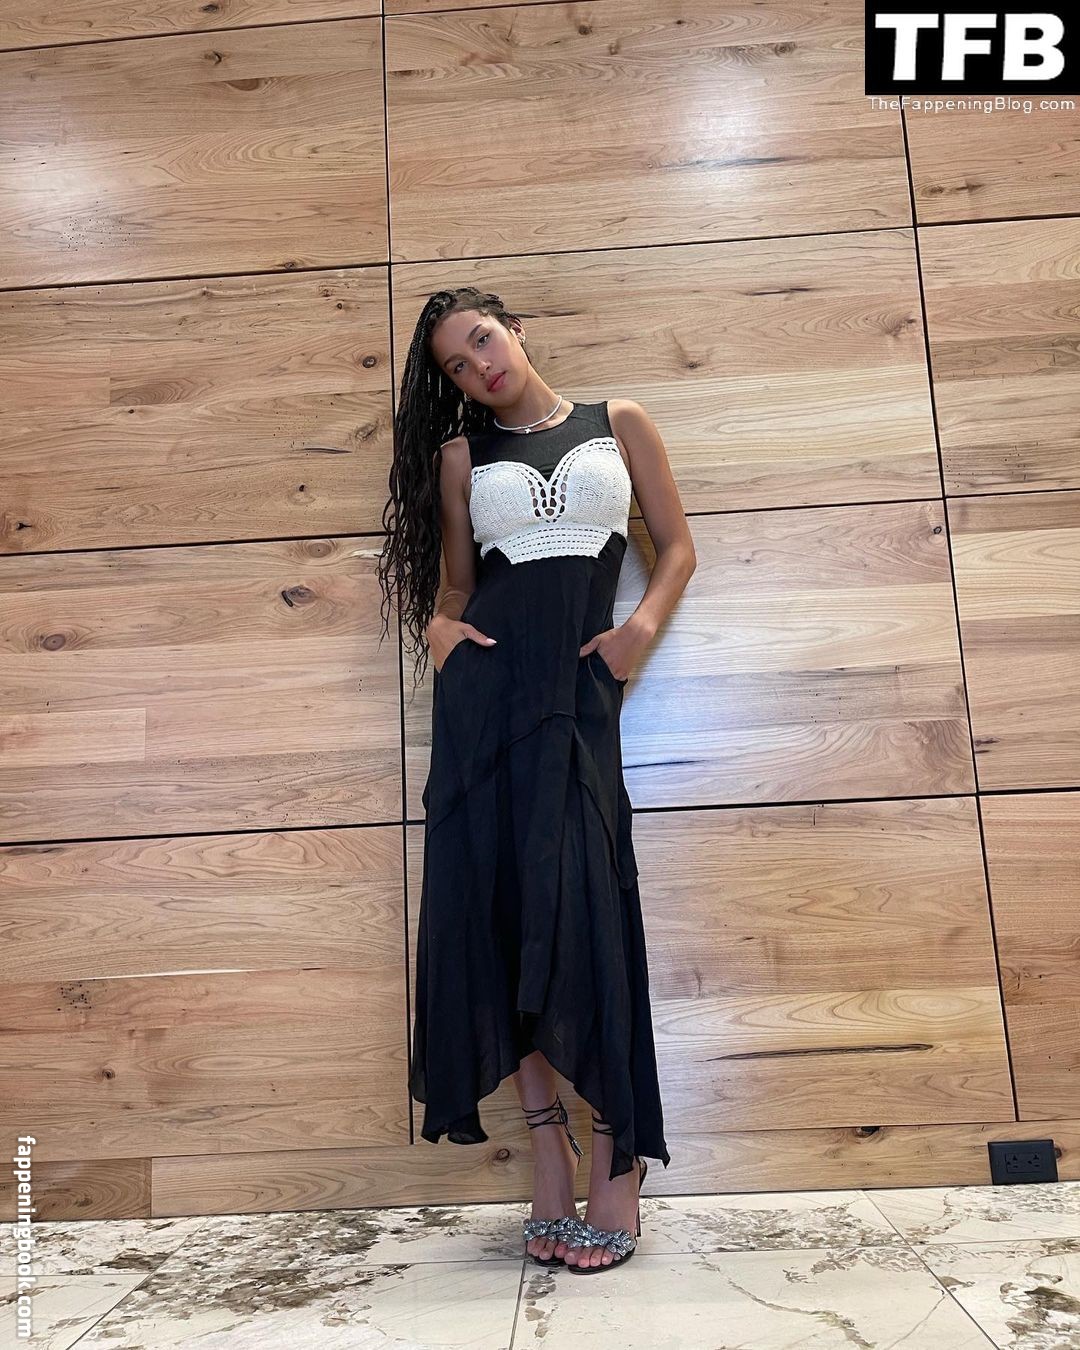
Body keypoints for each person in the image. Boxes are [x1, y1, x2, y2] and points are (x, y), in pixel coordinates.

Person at [377, 285, 696, 1272]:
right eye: (457, 365)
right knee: (497, 913)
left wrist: (636, 633)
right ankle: (549, 1151)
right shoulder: (461, 458)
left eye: (483, 340)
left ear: (515, 328)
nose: (480, 367)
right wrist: (439, 630)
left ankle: (617, 1153)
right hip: (487, 705)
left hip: (581, 692)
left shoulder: (618, 421)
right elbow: (457, 588)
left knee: (591, 905)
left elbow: (678, 549)